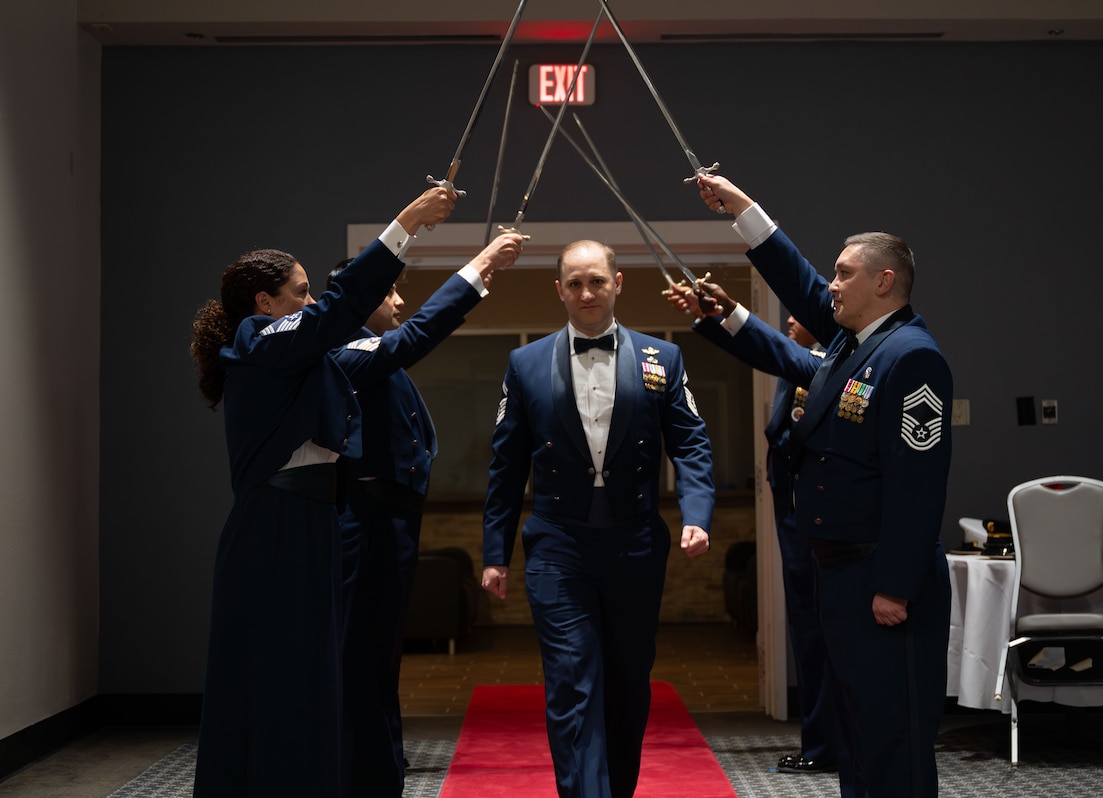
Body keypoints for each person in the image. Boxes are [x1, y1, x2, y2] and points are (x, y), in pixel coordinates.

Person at [188, 186, 465, 798]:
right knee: (279, 674)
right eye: (301, 291)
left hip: (309, 516)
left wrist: (471, 277)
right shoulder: (259, 342)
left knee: (311, 676)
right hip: (275, 526)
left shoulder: (300, 358)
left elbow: (396, 347)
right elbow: (339, 310)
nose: (311, 302)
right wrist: (407, 225)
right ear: (266, 303)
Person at [697, 176, 953, 798]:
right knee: (858, 735)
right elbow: (799, 285)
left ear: (883, 282)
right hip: (839, 575)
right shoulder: (853, 349)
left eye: (842, 274)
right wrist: (742, 213)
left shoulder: (909, 356)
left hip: (881, 580)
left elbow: (918, 486)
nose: (830, 285)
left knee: (894, 738)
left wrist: (894, 585)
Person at [480, 240, 715, 798]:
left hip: (636, 543)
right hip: (558, 545)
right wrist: (495, 553)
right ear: (558, 289)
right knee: (572, 681)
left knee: (630, 682)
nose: (587, 293)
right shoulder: (526, 363)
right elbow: (505, 466)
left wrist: (697, 512)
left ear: (618, 284)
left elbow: (692, 444)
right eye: (575, 283)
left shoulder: (664, 358)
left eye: (597, 281)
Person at [328, 230, 524, 798]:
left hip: (389, 518)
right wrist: (477, 271)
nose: (397, 301)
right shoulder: (342, 346)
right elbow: (414, 337)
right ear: (360, 296)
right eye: (389, 292)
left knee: (381, 656)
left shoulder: (366, 350)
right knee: (360, 655)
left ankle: (380, 769)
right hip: (364, 518)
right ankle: (358, 773)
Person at [664, 282, 842, 774]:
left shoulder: (834, 360)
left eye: (799, 312)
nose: (788, 318)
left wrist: (726, 314)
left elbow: (775, 352)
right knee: (807, 632)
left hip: (820, 518)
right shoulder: (805, 358)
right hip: (793, 514)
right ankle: (821, 743)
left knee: (825, 635)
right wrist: (712, 317)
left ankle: (834, 746)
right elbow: (773, 353)